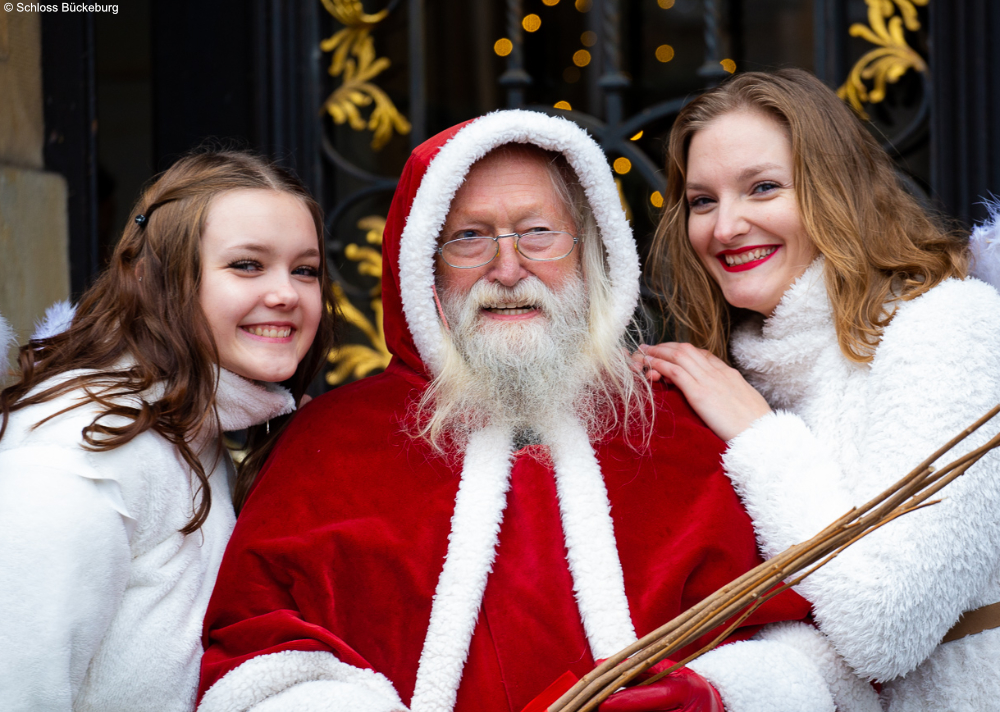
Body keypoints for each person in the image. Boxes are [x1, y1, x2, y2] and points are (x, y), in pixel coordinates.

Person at [197, 110, 879, 712]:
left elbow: (815, 651)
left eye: (539, 232)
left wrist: (721, 694)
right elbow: (255, 661)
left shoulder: (681, 429)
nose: (508, 267)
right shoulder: (333, 446)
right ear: (421, 267)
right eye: (469, 237)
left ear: (592, 251)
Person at [639, 68, 1000, 711]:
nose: (725, 227)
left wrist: (760, 437)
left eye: (763, 188)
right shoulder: (735, 369)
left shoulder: (948, 326)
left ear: (835, 190)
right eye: (702, 200)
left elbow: (886, 627)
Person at [0, 150, 336, 712]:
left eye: (305, 269)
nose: (286, 293)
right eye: (248, 265)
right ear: (161, 280)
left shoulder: (197, 421)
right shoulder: (78, 447)